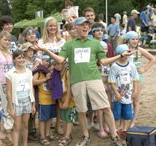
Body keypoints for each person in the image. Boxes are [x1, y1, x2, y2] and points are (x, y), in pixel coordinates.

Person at [35, 17, 135, 146]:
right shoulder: (69, 44)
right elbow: (60, 59)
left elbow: (103, 61)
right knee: (81, 110)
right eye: (82, 25)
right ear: (76, 28)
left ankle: (114, 136)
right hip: (77, 81)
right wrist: (46, 51)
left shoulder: (95, 43)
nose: (85, 27)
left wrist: (121, 55)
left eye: (87, 25)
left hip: (94, 79)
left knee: (105, 107)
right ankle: (85, 136)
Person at [38, 17, 66, 135]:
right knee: (48, 99)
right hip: (47, 73)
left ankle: (58, 124)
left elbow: (65, 57)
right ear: (46, 27)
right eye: (50, 25)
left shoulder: (62, 41)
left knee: (59, 98)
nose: (53, 28)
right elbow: (39, 57)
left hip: (60, 72)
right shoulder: (41, 42)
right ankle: (46, 128)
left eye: (54, 25)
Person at [125, 31, 155, 128]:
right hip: (125, 78)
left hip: (138, 77)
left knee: (136, 100)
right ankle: (125, 121)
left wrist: (145, 69)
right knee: (126, 100)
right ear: (128, 40)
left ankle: (133, 121)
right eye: (132, 39)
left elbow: (152, 59)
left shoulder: (140, 50)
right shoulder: (124, 49)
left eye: (136, 39)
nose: (135, 41)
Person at [108, 44, 138, 140]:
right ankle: (116, 129)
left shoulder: (131, 65)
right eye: (124, 54)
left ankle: (124, 129)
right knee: (116, 113)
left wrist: (135, 90)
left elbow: (135, 78)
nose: (126, 56)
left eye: (127, 54)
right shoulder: (114, 66)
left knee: (127, 113)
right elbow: (111, 81)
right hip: (118, 94)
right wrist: (116, 93)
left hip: (128, 95)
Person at [6, 49, 36, 146]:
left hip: (27, 100)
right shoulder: (10, 74)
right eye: (19, 58)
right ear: (14, 59)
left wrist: (33, 104)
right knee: (17, 127)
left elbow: (31, 88)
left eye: (23, 58)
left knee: (25, 125)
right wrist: (11, 107)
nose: (21, 60)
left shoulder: (28, 72)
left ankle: (25, 144)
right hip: (17, 102)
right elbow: (9, 92)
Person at [91, 22, 112, 139]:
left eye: (101, 30)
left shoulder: (107, 45)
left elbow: (111, 61)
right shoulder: (91, 45)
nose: (99, 32)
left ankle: (105, 125)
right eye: (97, 30)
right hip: (97, 81)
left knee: (108, 105)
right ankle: (100, 126)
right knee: (99, 106)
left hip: (107, 82)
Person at [52, 61, 77, 146]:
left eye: (59, 64)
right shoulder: (56, 74)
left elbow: (70, 87)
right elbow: (56, 88)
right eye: (55, 64)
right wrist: (59, 101)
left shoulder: (67, 71)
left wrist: (67, 101)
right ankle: (66, 134)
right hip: (61, 97)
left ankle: (67, 136)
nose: (57, 66)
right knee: (64, 117)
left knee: (69, 117)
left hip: (69, 98)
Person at [32, 55, 56, 146]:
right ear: (41, 61)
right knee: (42, 119)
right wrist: (45, 79)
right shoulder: (39, 71)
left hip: (51, 99)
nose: (47, 63)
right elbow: (33, 81)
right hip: (43, 99)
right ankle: (42, 136)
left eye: (49, 61)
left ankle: (47, 133)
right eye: (45, 61)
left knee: (49, 118)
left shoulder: (51, 71)